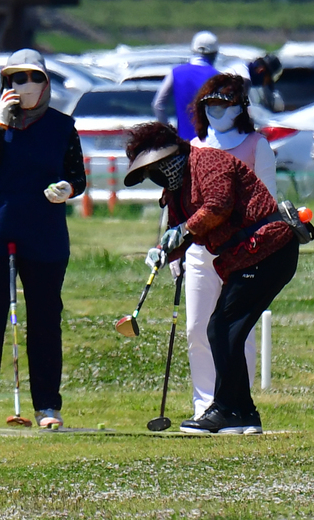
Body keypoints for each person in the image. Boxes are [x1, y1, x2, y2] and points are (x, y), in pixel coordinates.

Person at [124, 120, 296, 435]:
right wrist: (167, 251)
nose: (157, 175)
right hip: (247, 256)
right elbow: (181, 229)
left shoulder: (209, 161)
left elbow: (218, 206)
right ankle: (242, 412)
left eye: (158, 168)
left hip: (269, 248)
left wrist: (184, 230)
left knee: (221, 328)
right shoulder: (175, 191)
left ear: (172, 155)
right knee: (224, 329)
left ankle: (226, 409)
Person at [0, 49, 87, 429]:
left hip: (44, 232)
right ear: (7, 84)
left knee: (46, 320)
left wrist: (68, 188)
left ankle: (47, 406)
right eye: (18, 78)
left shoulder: (62, 126)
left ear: (46, 83)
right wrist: (1, 127)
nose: (27, 86)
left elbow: (77, 177)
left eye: (35, 78)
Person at [183, 74, 278, 420]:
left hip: (242, 253)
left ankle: (234, 403)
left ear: (239, 107)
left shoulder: (256, 145)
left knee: (237, 330)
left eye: (223, 103)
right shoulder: (193, 148)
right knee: (196, 328)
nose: (216, 110)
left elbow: (266, 204)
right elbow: (183, 207)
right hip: (199, 250)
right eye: (209, 104)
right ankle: (205, 403)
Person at [152, 30, 221, 141]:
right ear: (214, 54)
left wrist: (168, 132)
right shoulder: (217, 77)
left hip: (183, 142)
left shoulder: (175, 73)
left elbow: (158, 105)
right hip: (210, 144)